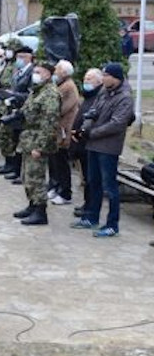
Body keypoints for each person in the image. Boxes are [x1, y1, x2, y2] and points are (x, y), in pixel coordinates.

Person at [71, 63, 134, 237]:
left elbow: (117, 124)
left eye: (106, 75)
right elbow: (92, 112)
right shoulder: (104, 93)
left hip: (109, 147)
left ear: (116, 77)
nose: (103, 78)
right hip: (93, 145)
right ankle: (92, 217)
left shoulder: (125, 98)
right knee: (93, 182)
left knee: (110, 187)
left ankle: (112, 224)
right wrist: (84, 129)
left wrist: (91, 133)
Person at [12, 61, 61, 226]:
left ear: (48, 74)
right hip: (28, 138)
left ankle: (40, 212)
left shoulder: (50, 94)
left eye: (39, 72)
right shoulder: (37, 91)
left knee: (36, 177)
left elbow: (50, 123)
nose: (36, 75)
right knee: (27, 176)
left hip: (38, 141)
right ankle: (32, 205)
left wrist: (40, 147)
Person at [0, 45, 34, 182]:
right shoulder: (18, 71)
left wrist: (14, 95)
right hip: (12, 108)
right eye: (18, 57)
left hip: (22, 110)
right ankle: (11, 166)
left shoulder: (31, 72)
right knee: (10, 138)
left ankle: (18, 171)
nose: (19, 59)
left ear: (30, 58)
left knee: (19, 141)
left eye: (23, 57)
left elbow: (30, 94)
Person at [71, 68, 104, 218]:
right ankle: (87, 203)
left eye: (89, 79)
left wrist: (82, 132)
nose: (86, 81)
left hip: (90, 142)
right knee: (86, 177)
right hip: (80, 141)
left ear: (99, 81)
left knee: (92, 178)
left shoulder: (99, 97)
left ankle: (91, 206)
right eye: (85, 79)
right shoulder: (88, 96)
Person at [48, 60, 79, 205]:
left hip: (64, 130)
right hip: (57, 129)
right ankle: (55, 186)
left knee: (62, 162)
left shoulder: (68, 87)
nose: (55, 72)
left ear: (64, 72)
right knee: (55, 161)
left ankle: (65, 192)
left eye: (57, 70)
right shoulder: (61, 85)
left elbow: (60, 108)